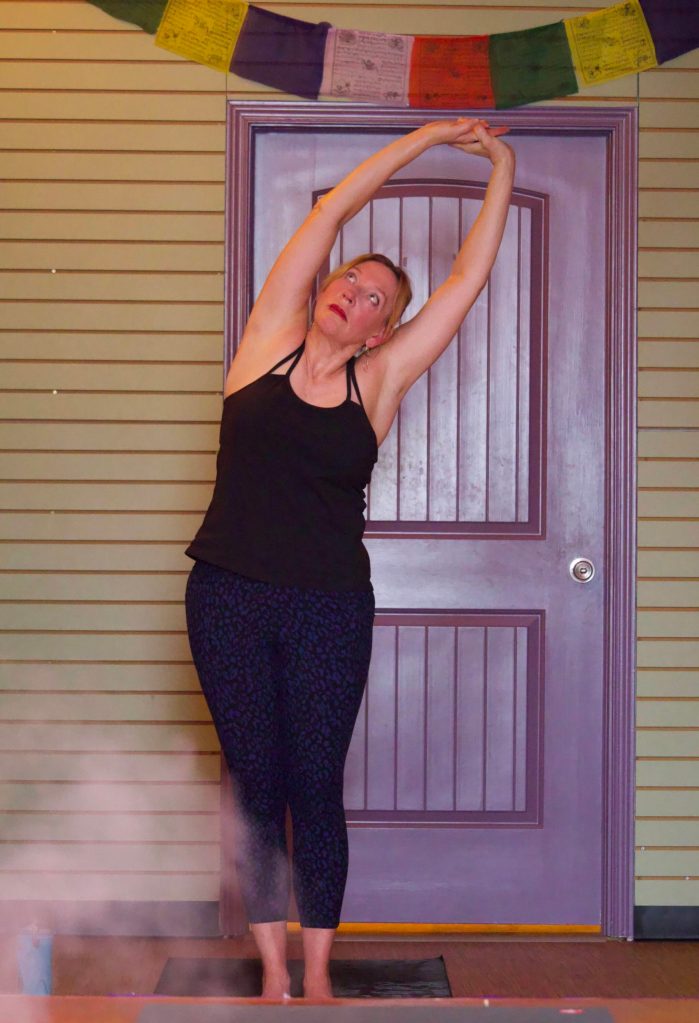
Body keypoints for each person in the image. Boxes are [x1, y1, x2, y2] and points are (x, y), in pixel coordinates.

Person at [184, 117, 515, 1000]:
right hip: (225, 595)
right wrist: (424, 139)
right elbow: (331, 209)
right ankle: (271, 978)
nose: (355, 296)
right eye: (350, 280)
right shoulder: (263, 345)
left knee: (312, 783)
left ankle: (321, 976)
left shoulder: (379, 383)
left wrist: (501, 165)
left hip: (328, 605)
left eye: (376, 299)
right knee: (253, 781)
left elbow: (465, 279)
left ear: (381, 333)